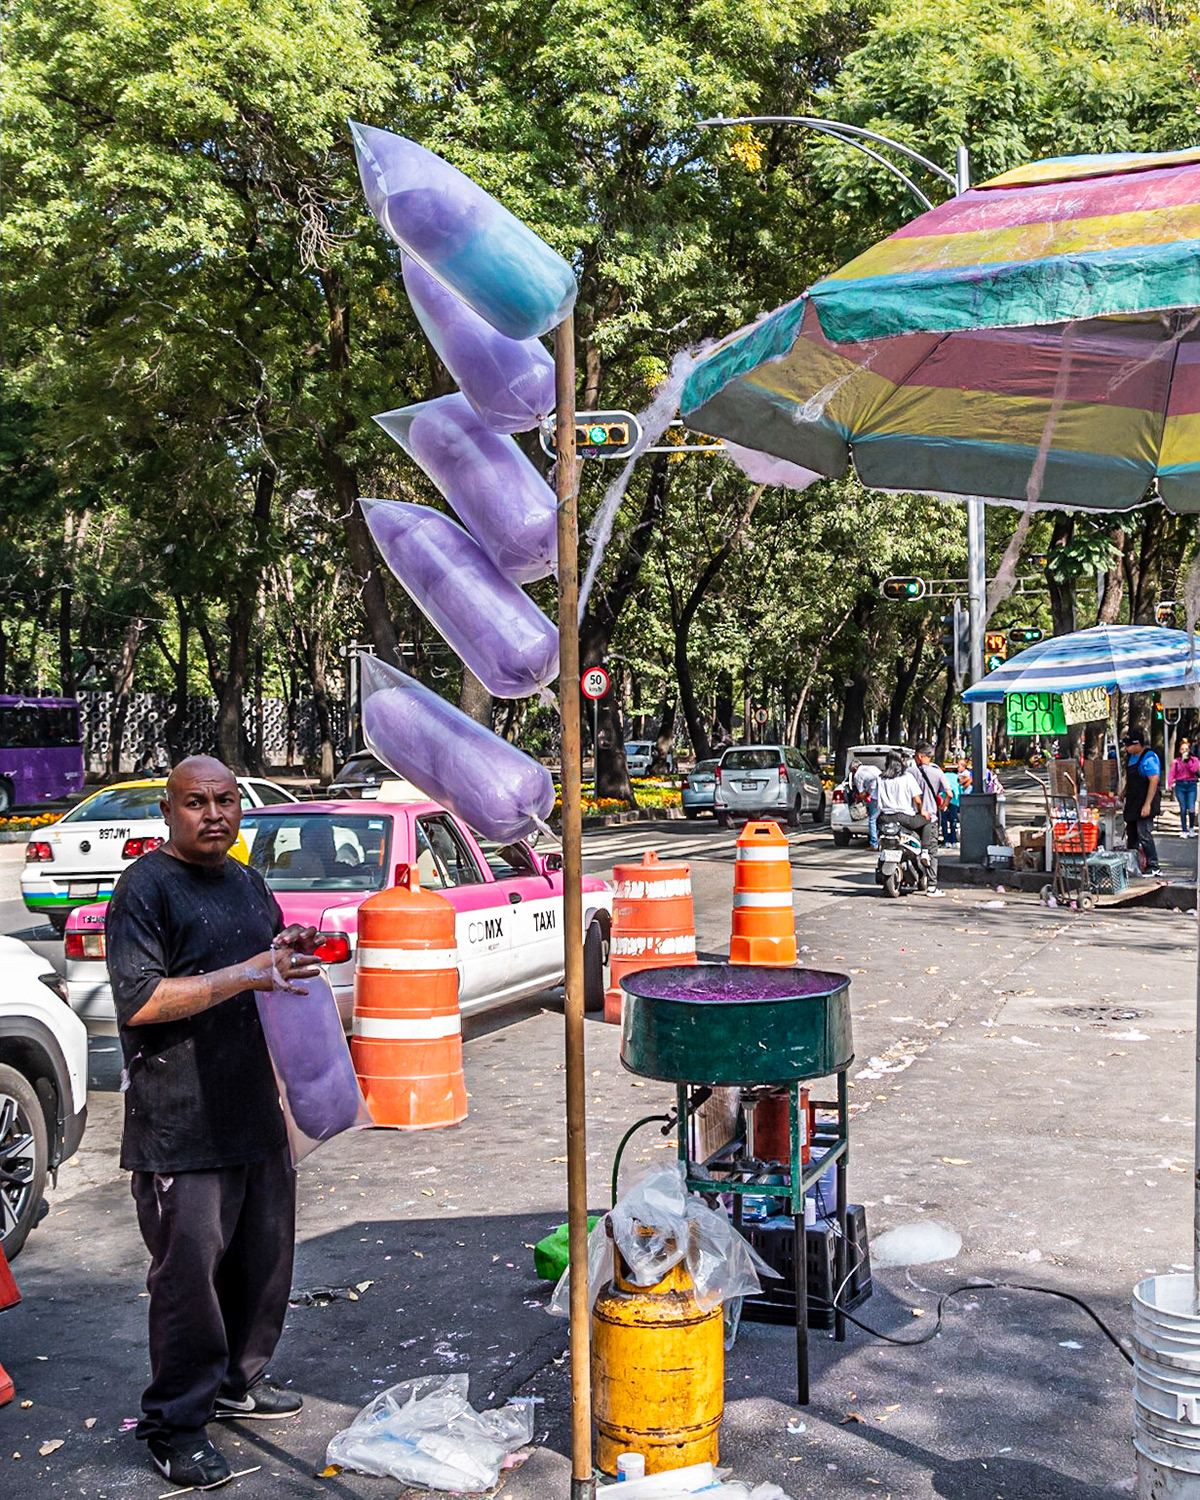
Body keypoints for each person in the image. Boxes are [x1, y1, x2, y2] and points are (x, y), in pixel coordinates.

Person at [105, 756, 321, 1490]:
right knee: (187, 1283)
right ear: (169, 811)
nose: (214, 815)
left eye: (226, 800)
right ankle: (175, 1425)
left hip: (253, 1108)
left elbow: (267, 961)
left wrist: (289, 955)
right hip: (179, 1123)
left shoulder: (247, 881)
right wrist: (248, 974)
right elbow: (137, 1000)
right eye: (196, 802)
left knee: (264, 1265)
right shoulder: (144, 888)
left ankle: (237, 1382)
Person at [876, 752, 940, 895]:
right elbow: (917, 800)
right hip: (905, 818)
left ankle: (877, 846)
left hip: (885, 818)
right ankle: (924, 851)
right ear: (901, 762)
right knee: (929, 822)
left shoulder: (880, 779)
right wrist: (922, 811)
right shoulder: (907, 778)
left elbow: (875, 800)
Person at [1122, 728, 1162, 876]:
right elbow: (1131, 779)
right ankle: (1133, 865)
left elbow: (1153, 781)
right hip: (1133, 801)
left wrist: (1147, 804)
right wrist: (1123, 792)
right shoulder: (1131, 757)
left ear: (1138, 744)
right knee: (1132, 834)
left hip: (1146, 801)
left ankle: (1153, 865)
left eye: (1129, 745)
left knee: (1144, 833)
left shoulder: (1149, 757)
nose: (1126, 748)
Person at [910, 742, 949, 890]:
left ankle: (916, 876)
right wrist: (944, 804)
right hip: (931, 818)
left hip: (913, 817)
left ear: (919, 756)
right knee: (932, 852)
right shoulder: (938, 772)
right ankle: (932, 886)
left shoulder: (910, 772)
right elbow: (949, 793)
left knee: (911, 848)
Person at [1170, 736, 1199, 836]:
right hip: (1180, 785)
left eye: (1186, 749)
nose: (1184, 751)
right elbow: (1172, 773)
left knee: (1191, 807)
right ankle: (1184, 829)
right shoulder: (1176, 761)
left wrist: (1188, 762)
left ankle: (1191, 828)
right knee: (1183, 808)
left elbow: (1194, 770)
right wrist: (1170, 783)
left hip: (1191, 785)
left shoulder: (1194, 760)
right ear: (1179, 750)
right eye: (1182, 749)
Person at [852, 757, 882, 849]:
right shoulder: (873, 767)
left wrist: (858, 799)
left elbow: (862, 794)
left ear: (855, 768)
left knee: (872, 820)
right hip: (884, 795)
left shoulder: (857, 775)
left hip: (875, 797)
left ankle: (874, 844)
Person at [940, 762, 961, 846]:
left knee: (944, 821)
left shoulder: (943, 776)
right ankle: (954, 841)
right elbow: (960, 790)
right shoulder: (957, 777)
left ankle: (946, 841)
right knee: (953, 821)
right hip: (954, 801)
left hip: (943, 800)